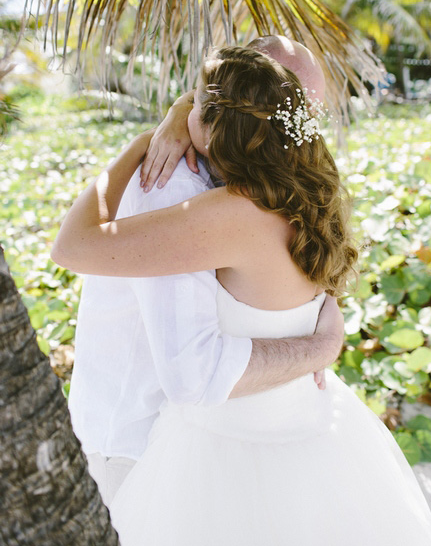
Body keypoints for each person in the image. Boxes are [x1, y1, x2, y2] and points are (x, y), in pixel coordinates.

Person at [52, 46, 431, 545]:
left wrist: (142, 141)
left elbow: (72, 247)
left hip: (209, 445)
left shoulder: (224, 211)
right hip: (282, 429)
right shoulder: (309, 193)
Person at [66, 36, 342, 507]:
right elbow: (74, 247)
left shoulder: (270, 190)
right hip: (133, 439)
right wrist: (320, 346)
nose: (303, 128)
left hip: (213, 441)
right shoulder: (172, 183)